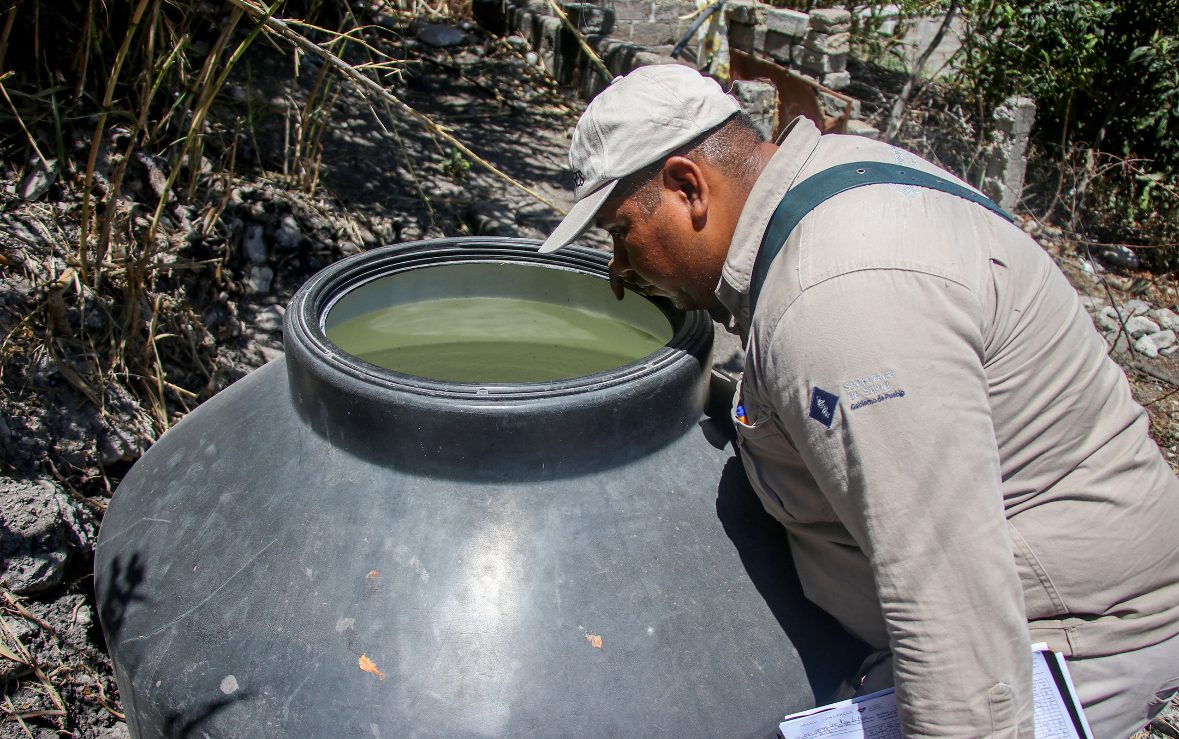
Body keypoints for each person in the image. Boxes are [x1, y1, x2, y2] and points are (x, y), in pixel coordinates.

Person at [539, 64, 1179, 737]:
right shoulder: (826, 180)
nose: (618, 272)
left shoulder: (834, 304)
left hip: (1062, 641)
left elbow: (950, 609)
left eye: (620, 232)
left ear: (687, 187)